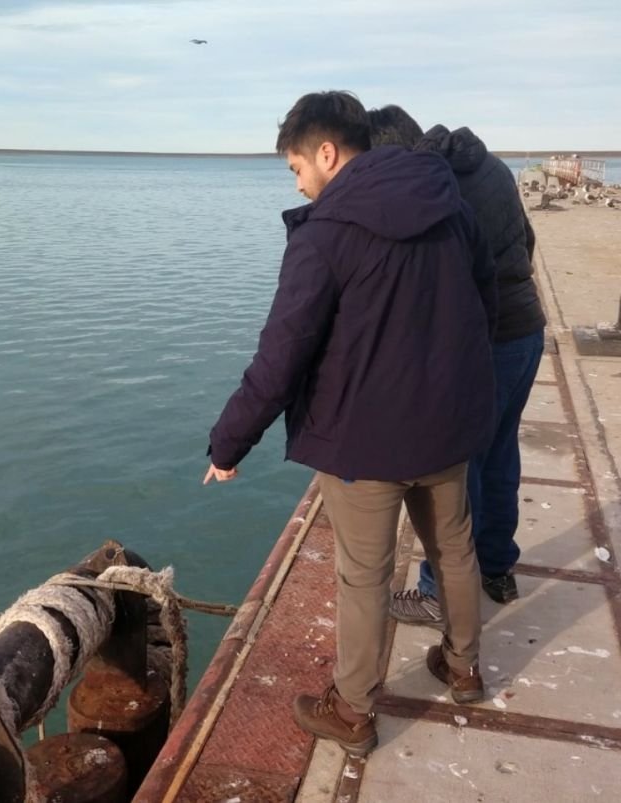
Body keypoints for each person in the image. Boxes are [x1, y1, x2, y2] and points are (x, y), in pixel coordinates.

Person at [203, 91, 497, 757]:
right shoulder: (451, 206)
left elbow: (281, 354)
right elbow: (486, 296)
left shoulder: (325, 234)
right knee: (454, 546)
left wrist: (228, 442)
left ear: (327, 153)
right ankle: (464, 665)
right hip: (447, 423)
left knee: (365, 573)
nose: (299, 182)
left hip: (366, 439)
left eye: (296, 168)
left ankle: (355, 710)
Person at [369, 106, 547, 629]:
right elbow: (527, 242)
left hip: (488, 340)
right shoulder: (487, 165)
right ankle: (496, 566)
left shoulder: (435, 188)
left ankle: (436, 592)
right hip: (526, 329)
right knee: (499, 455)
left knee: (457, 472)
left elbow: (435, 277)